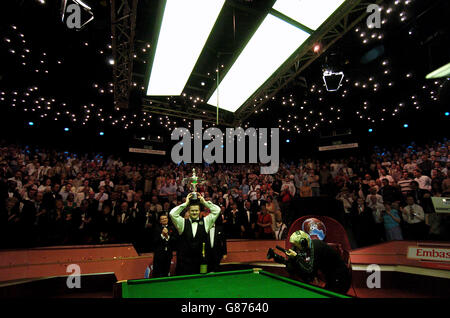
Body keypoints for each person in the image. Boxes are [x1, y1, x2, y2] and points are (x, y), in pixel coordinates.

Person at [267, 231, 351, 294]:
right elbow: (295, 267)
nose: (294, 248)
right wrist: (282, 259)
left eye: (296, 246)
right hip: (331, 278)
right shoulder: (308, 246)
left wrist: (296, 257)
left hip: (340, 279)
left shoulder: (316, 246)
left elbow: (309, 270)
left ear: (303, 243)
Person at [169, 192, 220, 275]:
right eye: (192, 210)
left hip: (200, 263)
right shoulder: (182, 223)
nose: (194, 212)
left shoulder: (206, 222)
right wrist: (185, 203)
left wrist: (204, 202)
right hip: (184, 264)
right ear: (188, 211)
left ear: (200, 211)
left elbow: (217, 210)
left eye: (196, 210)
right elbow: (172, 213)